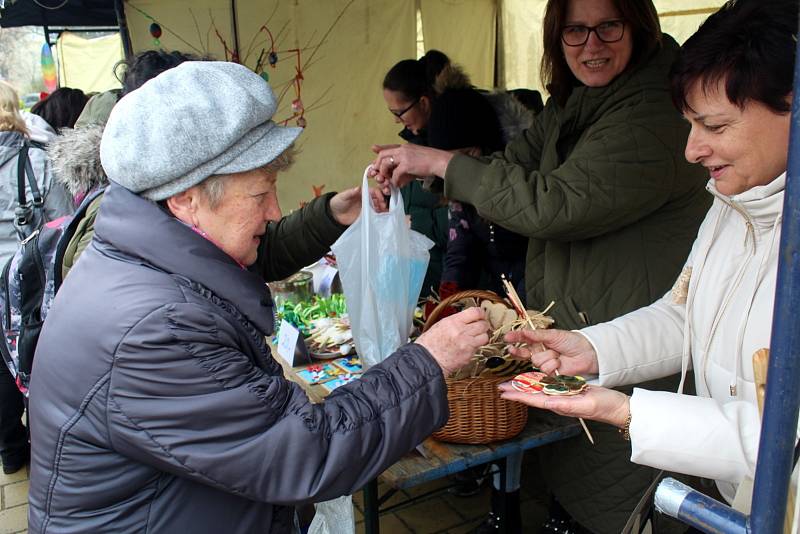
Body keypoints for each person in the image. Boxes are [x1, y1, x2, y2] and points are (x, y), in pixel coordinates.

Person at [27, 61, 491, 533]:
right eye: (260, 193)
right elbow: (308, 452)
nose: (273, 209)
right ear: (186, 198)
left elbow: (243, 256)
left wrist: (330, 214)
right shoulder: (154, 330)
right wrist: (428, 361)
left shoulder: (149, 247)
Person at [372, 0, 712, 531]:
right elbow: (513, 167)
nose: (591, 45)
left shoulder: (652, 110)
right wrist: (444, 169)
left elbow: (556, 203)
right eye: (575, 31)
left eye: (607, 27)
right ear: (556, 37)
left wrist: (441, 163)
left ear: (639, 26)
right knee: (575, 473)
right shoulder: (575, 103)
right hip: (590, 323)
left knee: (621, 487)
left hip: (635, 329)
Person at [500, 0, 794, 513]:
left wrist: (629, 412)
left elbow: (783, 447)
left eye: (715, 127)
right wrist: (589, 350)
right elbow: (684, 311)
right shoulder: (734, 203)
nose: (692, 150)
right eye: (690, 125)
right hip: (740, 503)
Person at [0, 81, 73, 475]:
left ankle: (11, 451)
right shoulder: (40, 160)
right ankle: (47, 445)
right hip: (28, 286)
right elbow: (62, 224)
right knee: (36, 359)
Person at [429, 87, 528, 301]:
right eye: (449, 161)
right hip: (501, 298)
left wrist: (521, 311)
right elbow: (460, 252)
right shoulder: (459, 190)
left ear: (487, 146)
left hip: (540, 298)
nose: (460, 167)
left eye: (467, 154)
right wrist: (449, 297)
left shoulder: (521, 178)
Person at [381, 50, 452, 297]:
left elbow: (467, 218)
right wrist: (390, 197)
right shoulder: (413, 145)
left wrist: (413, 223)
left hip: (455, 286)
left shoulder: (456, 147)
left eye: (399, 113)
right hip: (425, 285)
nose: (397, 121)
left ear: (423, 102)